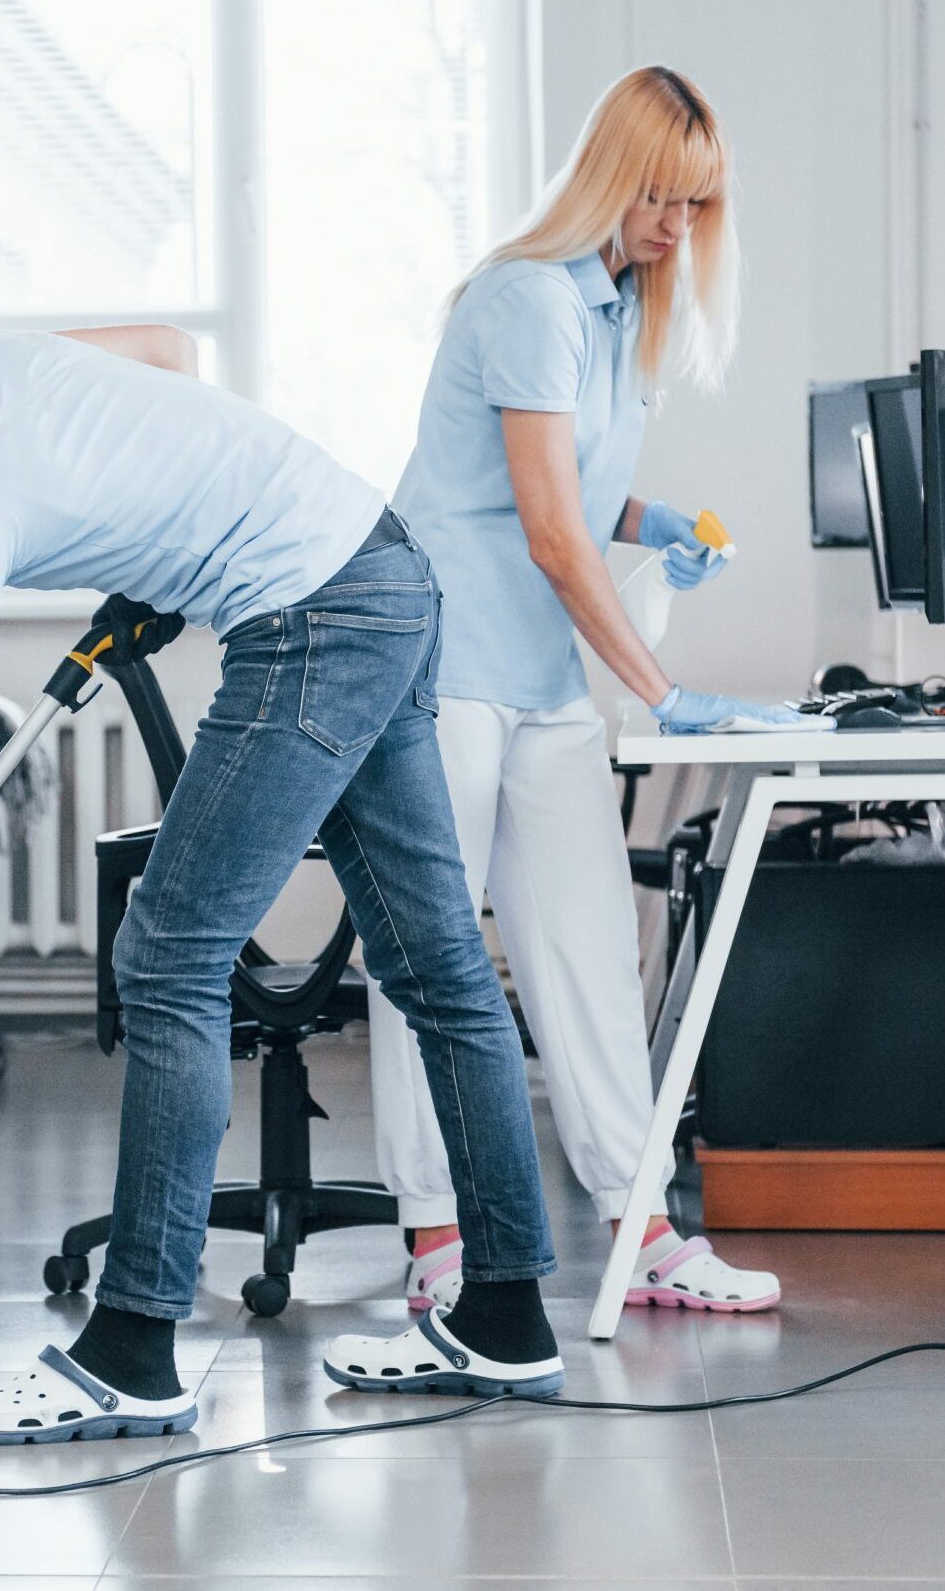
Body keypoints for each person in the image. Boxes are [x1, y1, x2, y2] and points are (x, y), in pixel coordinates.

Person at [0, 316, 567, 1446]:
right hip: (382, 569)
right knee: (438, 968)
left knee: (169, 952)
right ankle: (510, 1318)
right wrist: (159, 555)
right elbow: (167, 352)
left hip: (315, 616)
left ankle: (133, 1350)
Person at [369, 66, 784, 1319]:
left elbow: (568, 484)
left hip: (540, 672)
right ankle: (438, 1237)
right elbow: (548, 532)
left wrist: (652, 517)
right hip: (440, 666)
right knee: (435, 955)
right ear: (610, 176)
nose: (674, 224)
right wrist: (665, 689)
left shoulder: (621, 315)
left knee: (592, 952)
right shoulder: (528, 299)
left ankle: (643, 1227)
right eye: (658, 195)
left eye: (698, 205)